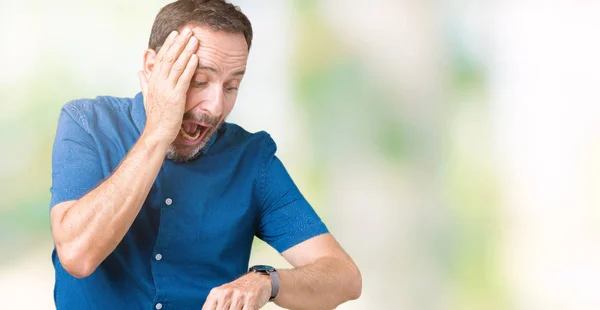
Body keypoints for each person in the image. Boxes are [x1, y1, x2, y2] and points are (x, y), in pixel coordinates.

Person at [48, 0, 361, 309]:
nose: (215, 107)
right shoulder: (88, 124)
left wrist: (266, 282)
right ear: (153, 68)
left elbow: (344, 277)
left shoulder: (252, 160)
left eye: (231, 86)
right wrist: (157, 132)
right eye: (199, 81)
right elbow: (77, 255)